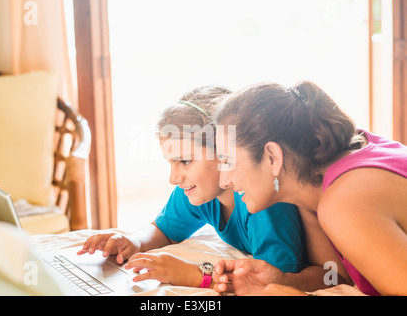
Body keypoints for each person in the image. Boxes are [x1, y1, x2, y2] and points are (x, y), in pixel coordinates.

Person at [78, 85, 307, 288]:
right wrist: (134, 242)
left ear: (224, 150)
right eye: (171, 163)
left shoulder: (263, 200)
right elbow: (164, 230)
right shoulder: (200, 192)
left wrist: (196, 274)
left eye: (185, 161)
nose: (174, 178)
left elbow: (269, 281)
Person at [212, 81, 407, 296]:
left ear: (272, 158)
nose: (224, 182)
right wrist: (286, 282)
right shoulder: (312, 188)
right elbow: (334, 276)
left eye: (228, 161)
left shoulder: (343, 203)